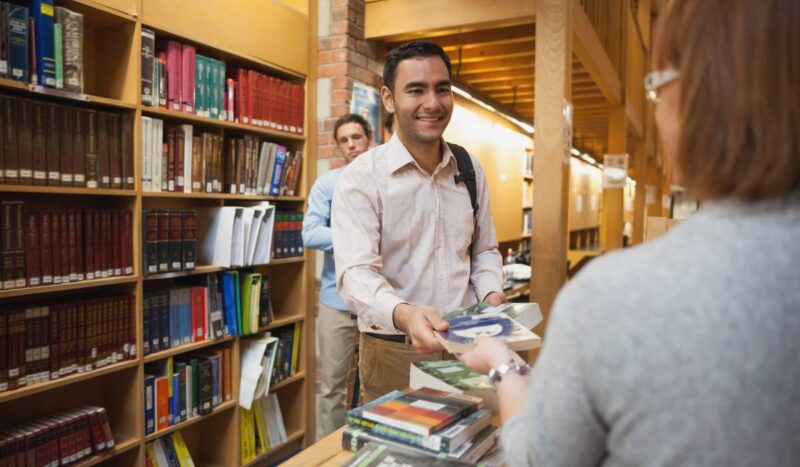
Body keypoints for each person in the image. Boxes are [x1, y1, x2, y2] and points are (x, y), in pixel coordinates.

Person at [458, 0, 800, 465]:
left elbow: (540, 458)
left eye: (657, 88)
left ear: (695, 97)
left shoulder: (609, 296)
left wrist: (504, 365)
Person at [331, 40, 507, 402]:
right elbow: (355, 274)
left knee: (472, 449)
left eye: (442, 89)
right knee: (399, 457)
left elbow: (484, 250)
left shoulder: (469, 169)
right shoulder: (362, 177)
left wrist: (490, 292)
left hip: (466, 342)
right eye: (416, 90)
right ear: (389, 98)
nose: (432, 103)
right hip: (395, 351)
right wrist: (405, 315)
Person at [302, 113, 372, 439]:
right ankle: (327, 457)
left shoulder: (384, 179)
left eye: (356, 137)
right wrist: (351, 235)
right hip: (336, 301)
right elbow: (310, 234)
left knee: (378, 385)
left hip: (378, 304)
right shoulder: (327, 184)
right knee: (332, 386)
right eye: (344, 140)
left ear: (368, 138)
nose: (351, 145)